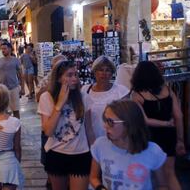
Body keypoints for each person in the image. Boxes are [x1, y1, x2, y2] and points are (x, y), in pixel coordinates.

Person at [131, 61, 186, 190]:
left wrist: (165, 124)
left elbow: (144, 120)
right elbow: (179, 116)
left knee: (153, 177)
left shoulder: (137, 95)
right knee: (170, 174)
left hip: (150, 137)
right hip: (169, 136)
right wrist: (180, 140)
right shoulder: (167, 89)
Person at [90, 100, 167, 190]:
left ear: (129, 124)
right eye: (105, 120)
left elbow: (163, 185)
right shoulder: (100, 145)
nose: (105, 126)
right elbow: (93, 177)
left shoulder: (153, 151)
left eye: (110, 122)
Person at [38, 60, 91, 190]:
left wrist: (94, 151)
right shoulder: (46, 97)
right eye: (69, 75)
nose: (74, 79)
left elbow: (89, 128)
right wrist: (59, 104)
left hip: (81, 153)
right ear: (58, 78)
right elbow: (48, 131)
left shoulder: (83, 96)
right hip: (57, 153)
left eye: (75, 75)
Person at [82, 56, 129, 144]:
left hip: (115, 139)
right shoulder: (85, 90)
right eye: (101, 70)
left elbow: (127, 119)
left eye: (107, 70)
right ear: (95, 72)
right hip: (90, 139)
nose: (104, 73)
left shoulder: (121, 91)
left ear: (112, 73)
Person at [0, 42, 25, 118]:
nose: (3, 50)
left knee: (16, 110)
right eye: (2, 49)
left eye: (5, 48)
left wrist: (22, 88)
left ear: (10, 49)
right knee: (4, 111)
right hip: (3, 89)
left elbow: (21, 75)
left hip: (14, 88)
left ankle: (17, 127)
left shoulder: (16, 60)